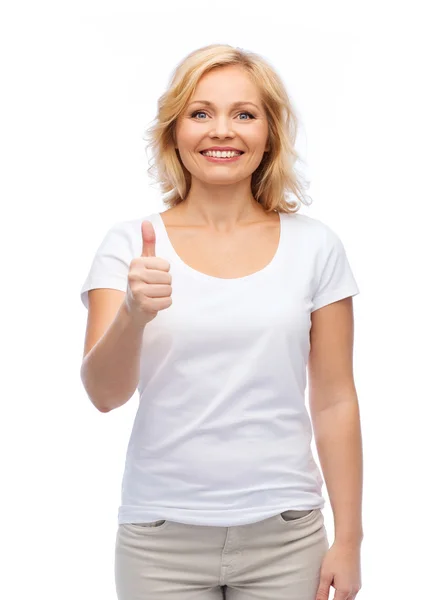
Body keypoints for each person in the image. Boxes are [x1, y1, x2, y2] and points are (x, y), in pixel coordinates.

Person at [80, 44, 363, 600]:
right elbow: (103, 394)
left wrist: (349, 538)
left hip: (287, 536)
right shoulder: (128, 247)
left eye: (244, 114)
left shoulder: (316, 247)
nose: (222, 131)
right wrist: (134, 316)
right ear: (174, 132)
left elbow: (335, 400)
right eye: (201, 112)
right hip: (160, 540)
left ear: (269, 133)